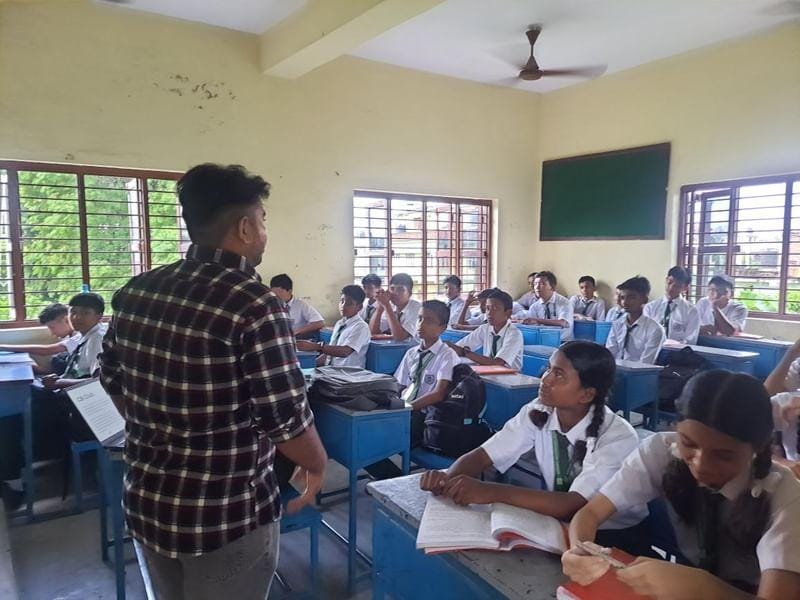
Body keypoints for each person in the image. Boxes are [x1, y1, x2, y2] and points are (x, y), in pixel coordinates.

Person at [99, 163, 327, 600]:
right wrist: (316, 464)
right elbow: (285, 418)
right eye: (262, 220)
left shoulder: (138, 290)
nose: (263, 231)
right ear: (244, 227)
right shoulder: (253, 303)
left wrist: (166, 428)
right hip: (225, 516)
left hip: (148, 501)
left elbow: (111, 380)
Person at [562, 370, 800, 599]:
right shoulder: (661, 451)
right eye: (688, 443)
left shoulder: (784, 495)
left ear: (757, 448)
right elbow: (591, 513)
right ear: (676, 429)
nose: (701, 464)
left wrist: (706, 590)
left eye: (724, 455)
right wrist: (579, 551)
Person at [420, 341, 648, 551]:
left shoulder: (617, 437)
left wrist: (489, 491)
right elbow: (483, 455)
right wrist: (447, 480)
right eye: (548, 369)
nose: (545, 379)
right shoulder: (540, 410)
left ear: (586, 394)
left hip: (614, 537)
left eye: (559, 375)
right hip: (558, 522)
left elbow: (574, 504)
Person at [0, 293, 106, 510]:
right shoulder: (84, 336)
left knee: (16, 419)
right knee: (18, 413)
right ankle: (15, 474)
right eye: (73, 312)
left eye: (85, 313)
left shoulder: (98, 338)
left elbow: (98, 382)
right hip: (70, 397)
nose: (77, 317)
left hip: (85, 405)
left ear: (99, 317)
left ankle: (14, 478)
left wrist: (58, 383)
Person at [366, 300, 459, 479]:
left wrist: (407, 409)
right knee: (364, 436)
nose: (421, 325)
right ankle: (393, 478)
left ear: (442, 327)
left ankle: (393, 481)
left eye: (429, 321)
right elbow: (399, 384)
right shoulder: (412, 353)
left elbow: (439, 393)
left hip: (424, 417)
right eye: (419, 318)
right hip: (404, 410)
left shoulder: (447, 355)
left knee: (373, 443)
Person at [446, 289, 524, 372]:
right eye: (487, 308)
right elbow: (459, 348)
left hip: (511, 378)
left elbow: (498, 363)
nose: (489, 313)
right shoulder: (485, 328)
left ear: (508, 313)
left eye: (495, 309)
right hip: (489, 374)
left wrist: (465, 352)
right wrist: (447, 346)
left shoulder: (514, 334)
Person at [297, 284, 370, 368]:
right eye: (342, 301)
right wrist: (309, 366)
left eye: (349, 303)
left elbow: (345, 352)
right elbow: (329, 355)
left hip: (349, 374)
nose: (343, 305)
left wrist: (315, 346)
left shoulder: (361, 327)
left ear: (359, 307)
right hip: (332, 371)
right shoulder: (340, 324)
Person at [605, 276, 665, 365]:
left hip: (639, 375)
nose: (625, 302)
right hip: (615, 371)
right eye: (622, 297)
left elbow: (646, 363)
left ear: (644, 299)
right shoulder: (617, 324)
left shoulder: (655, 330)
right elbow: (610, 353)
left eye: (631, 297)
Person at [644, 266, 700, 345]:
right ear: (666, 280)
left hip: (677, 353)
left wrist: (673, 344)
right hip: (651, 350)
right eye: (669, 282)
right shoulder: (650, 307)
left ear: (685, 288)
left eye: (677, 286)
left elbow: (690, 340)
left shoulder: (691, 311)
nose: (671, 288)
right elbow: (644, 335)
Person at [269, 273, 325, 339]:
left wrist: (295, 332)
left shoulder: (301, 305)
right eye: (274, 293)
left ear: (289, 291)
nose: (276, 296)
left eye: (280, 292)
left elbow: (319, 323)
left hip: (298, 339)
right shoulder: (271, 304)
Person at [369, 272, 421, 341]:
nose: (395, 293)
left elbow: (400, 337)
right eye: (392, 289)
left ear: (410, 293)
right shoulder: (390, 306)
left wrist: (387, 306)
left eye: (400, 289)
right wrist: (380, 307)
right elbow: (372, 332)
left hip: (412, 349)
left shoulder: (417, 308)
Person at [524, 271, 574, 341]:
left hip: (563, 342)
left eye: (542, 284)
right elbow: (531, 326)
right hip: (543, 341)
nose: (537, 287)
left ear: (552, 287)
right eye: (535, 284)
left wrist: (537, 320)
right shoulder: (534, 307)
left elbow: (563, 323)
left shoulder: (564, 302)